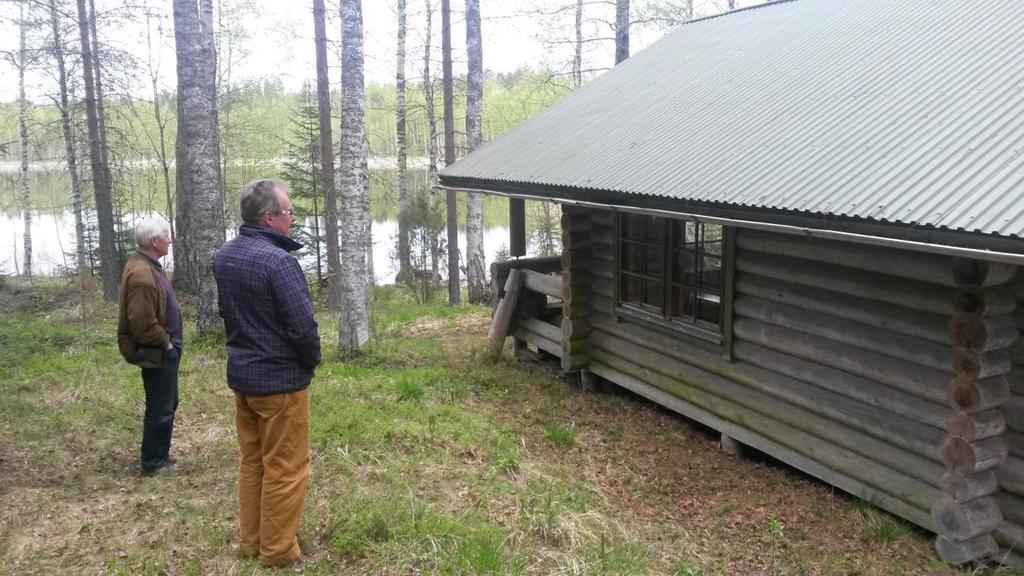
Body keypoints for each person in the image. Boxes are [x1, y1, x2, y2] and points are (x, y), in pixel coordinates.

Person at [213, 179, 321, 567]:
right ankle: (278, 552)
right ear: (269, 218)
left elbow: (230, 314)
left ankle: (252, 542)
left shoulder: (225, 255)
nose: (292, 220)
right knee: (286, 468)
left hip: (244, 379)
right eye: (289, 213)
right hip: (280, 384)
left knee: (254, 462)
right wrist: (311, 362)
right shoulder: (280, 263)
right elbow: (303, 327)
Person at [116, 217, 182, 476]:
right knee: (160, 406)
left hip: (164, 350)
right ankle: (153, 463)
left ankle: (160, 455)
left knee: (167, 402)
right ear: (154, 241)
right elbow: (142, 324)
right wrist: (166, 344)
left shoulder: (149, 265)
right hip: (158, 351)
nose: (170, 240)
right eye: (167, 236)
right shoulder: (142, 274)